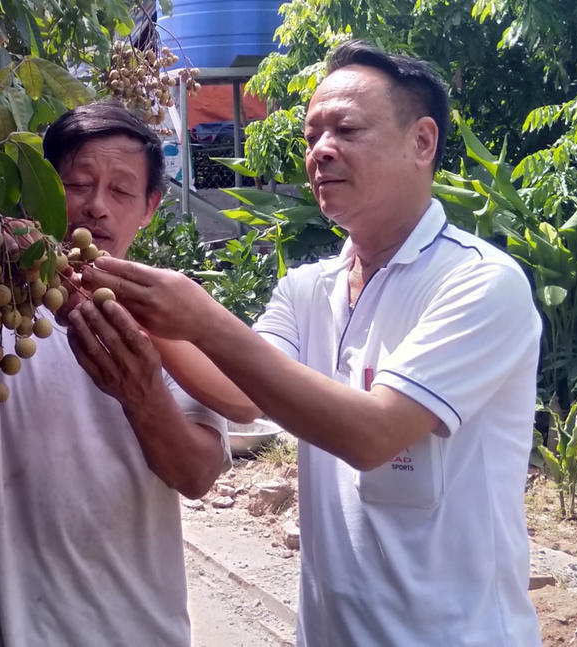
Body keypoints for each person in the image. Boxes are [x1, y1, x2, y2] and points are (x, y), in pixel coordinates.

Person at [79, 41, 542, 647]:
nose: (321, 150)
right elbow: (239, 396)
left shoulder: (479, 282)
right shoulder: (308, 288)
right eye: (311, 135)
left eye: (346, 129)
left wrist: (201, 318)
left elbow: (373, 433)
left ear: (422, 142)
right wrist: (136, 310)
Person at [0, 101, 232, 647]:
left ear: (149, 207)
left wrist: (140, 392)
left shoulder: (172, 317)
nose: (96, 206)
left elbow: (197, 476)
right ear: (42, 192)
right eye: (77, 184)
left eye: (121, 191)